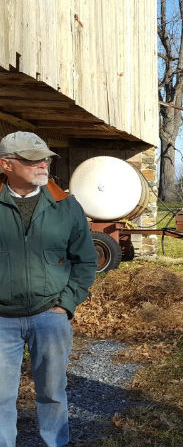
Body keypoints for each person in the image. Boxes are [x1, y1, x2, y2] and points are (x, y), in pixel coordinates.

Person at [0, 131, 97, 447]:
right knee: (0, 396)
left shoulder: (65, 206)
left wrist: (66, 304)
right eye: (32, 160)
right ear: (6, 164)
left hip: (50, 317)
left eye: (44, 158)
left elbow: (85, 260)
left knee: (53, 392)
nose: (42, 164)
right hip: (1, 322)